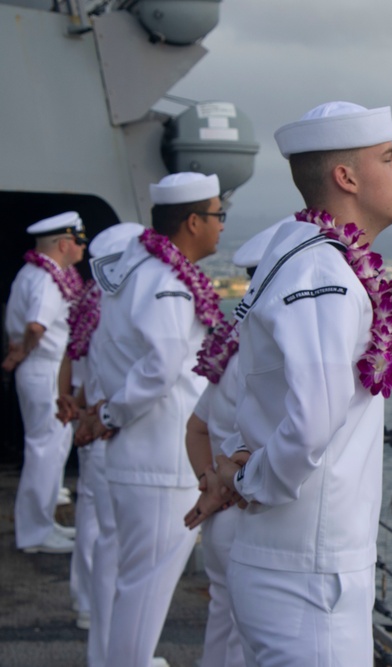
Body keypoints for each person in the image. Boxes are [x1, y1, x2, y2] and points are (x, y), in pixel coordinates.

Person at [213, 101, 392, 666]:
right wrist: (250, 481)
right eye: (389, 158)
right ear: (345, 177)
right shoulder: (324, 272)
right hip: (307, 574)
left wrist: (240, 465)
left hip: (294, 562)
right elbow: (312, 420)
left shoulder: (300, 257)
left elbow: (251, 396)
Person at [80, 172, 226, 666]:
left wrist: (108, 412)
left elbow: (104, 352)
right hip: (162, 460)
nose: (222, 226)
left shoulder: (133, 274)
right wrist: (109, 413)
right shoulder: (168, 283)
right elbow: (162, 366)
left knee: (130, 583)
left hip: (138, 456)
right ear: (192, 221)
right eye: (218, 215)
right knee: (145, 591)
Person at [183, 221, 283, 667]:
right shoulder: (269, 360)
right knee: (247, 648)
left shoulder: (233, 352)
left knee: (221, 627)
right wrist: (224, 486)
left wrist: (208, 483)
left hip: (221, 517)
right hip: (249, 515)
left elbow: (196, 427)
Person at [59, 221, 145, 634]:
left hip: (93, 418)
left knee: (93, 521)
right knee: (110, 530)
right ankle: (100, 615)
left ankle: (86, 602)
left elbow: (72, 357)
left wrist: (73, 399)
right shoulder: (116, 303)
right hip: (109, 424)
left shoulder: (91, 300)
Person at [4, 211, 87, 554]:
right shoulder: (46, 279)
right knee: (44, 451)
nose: (83, 247)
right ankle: (35, 534)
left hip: (46, 368)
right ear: (64, 244)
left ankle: (42, 525)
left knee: (50, 449)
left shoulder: (37, 273)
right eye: (79, 241)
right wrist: (21, 351)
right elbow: (38, 326)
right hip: (45, 368)